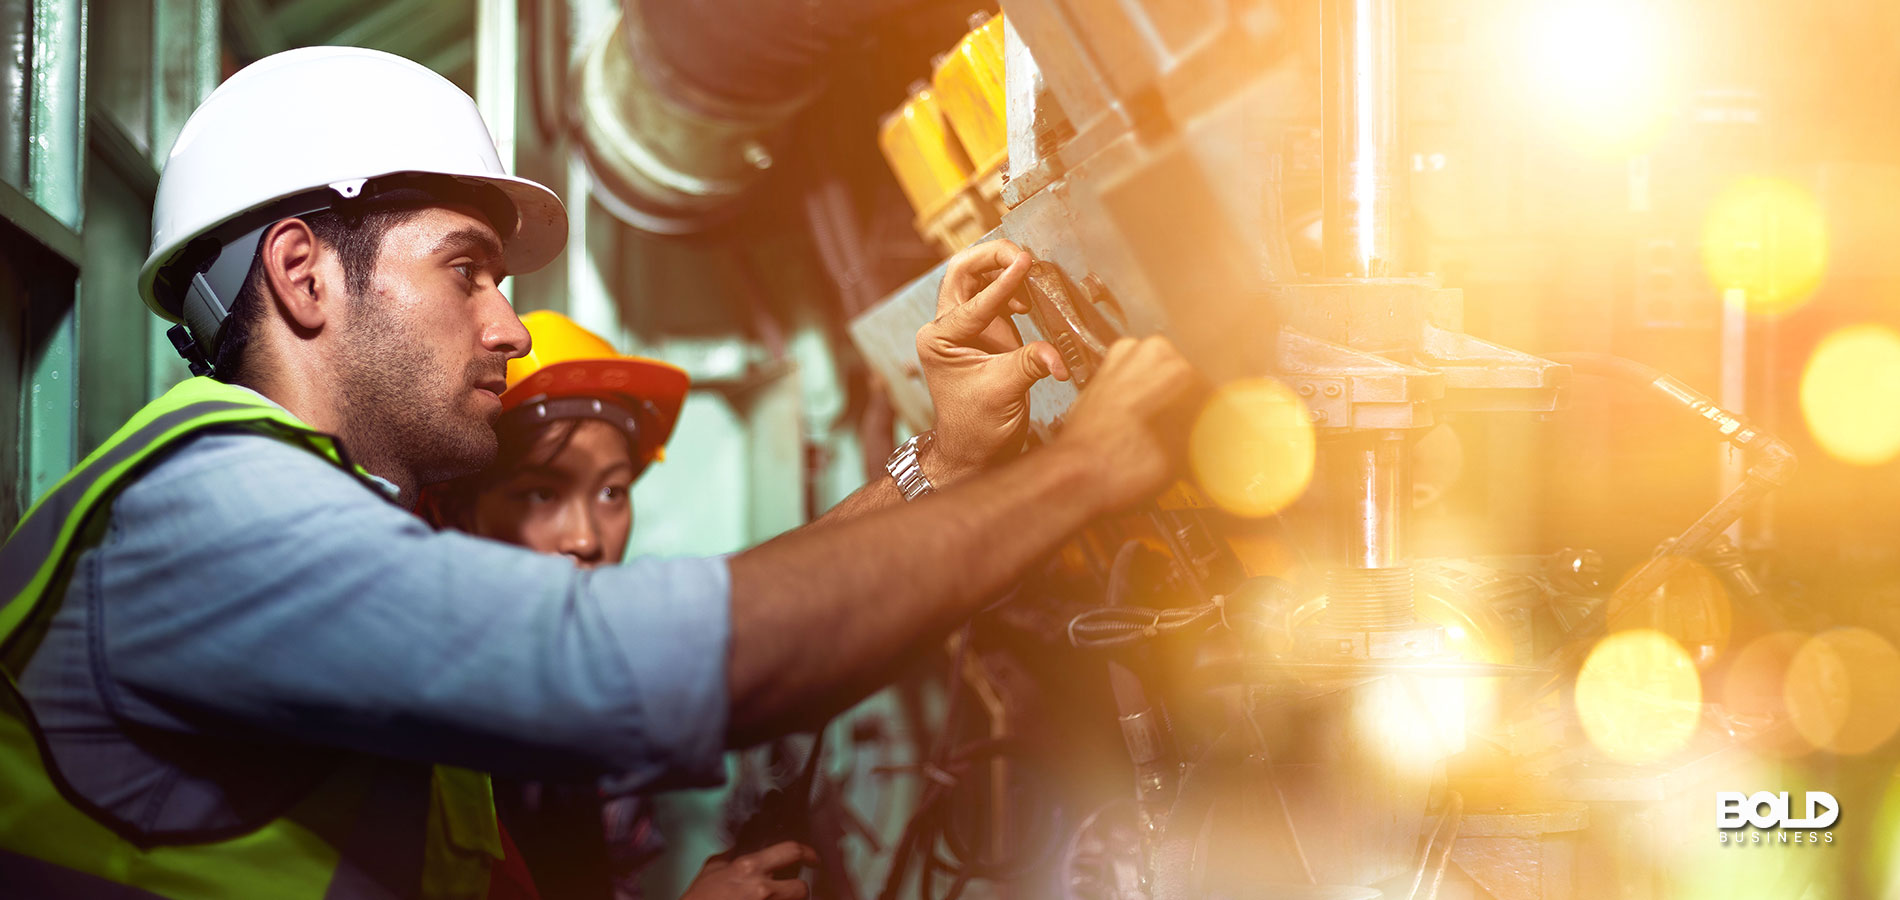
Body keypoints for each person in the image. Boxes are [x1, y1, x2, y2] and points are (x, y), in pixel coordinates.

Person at [0, 46, 1198, 899]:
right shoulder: (210, 511)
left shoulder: (310, 516)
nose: (508, 326)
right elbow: (642, 659)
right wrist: (1080, 472)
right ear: (303, 274)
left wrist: (944, 463)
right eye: (466, 271)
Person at [427, 310, 806, 900]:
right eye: (541, 493)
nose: (586, 538)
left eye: (611, 492)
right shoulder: (421, 707)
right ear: (459, 511)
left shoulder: (601, 700)